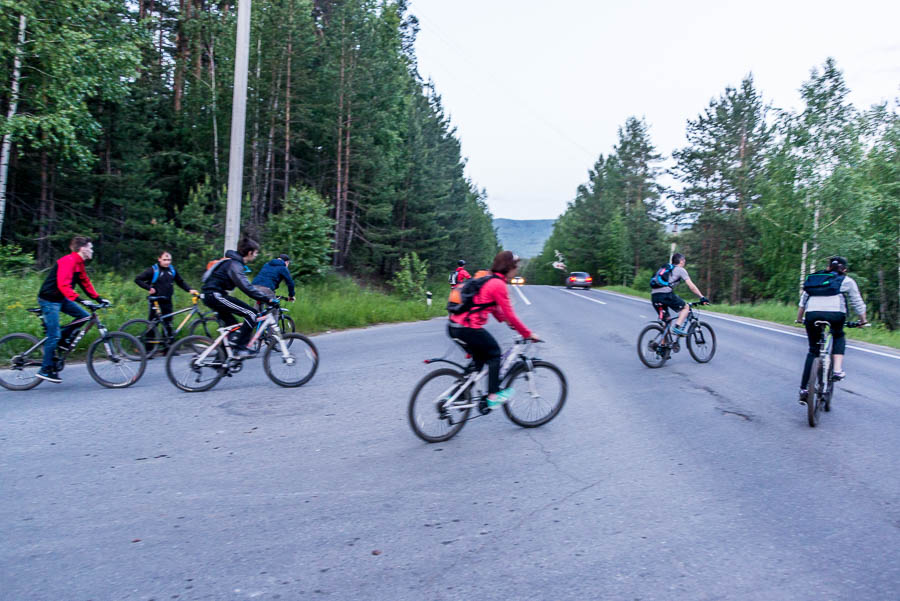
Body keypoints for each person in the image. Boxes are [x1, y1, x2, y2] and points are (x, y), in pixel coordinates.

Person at [448, 251, 540, 407]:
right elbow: (510, 314)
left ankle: (456, 395)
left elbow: (489, 306)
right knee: (494, 353)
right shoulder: (498, 284)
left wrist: (504, 321)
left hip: (454, 326)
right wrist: (527, 333)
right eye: (515, 267)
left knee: (479, 360)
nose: (516, 270)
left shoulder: (488, 278)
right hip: (467, 328)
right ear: (509, 267)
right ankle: (492, 395)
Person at [36, 236, 109, 383]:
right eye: (91, 247)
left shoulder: (79, 263)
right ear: (82, 249)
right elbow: (63, 285)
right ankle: (45, 369)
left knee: (84, 316)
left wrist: (98, 298)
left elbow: (85, 282)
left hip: (61, 298)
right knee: (54, 335)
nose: (92, 250)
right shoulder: (67, 261)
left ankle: (61, 341)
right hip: (49, 299)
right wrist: (81, 300)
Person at [795, 256, 867, 405]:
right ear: (844, 270)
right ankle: (837, 370)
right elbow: (857, 302)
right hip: (835, 315)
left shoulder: (816, 278)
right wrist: (863, 320)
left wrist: (799, 318)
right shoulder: (846, 280)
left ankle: (804, 389)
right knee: (838, 334)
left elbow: (803, 301)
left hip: (812, 314)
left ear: (828, 267)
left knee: (813, 350)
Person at [201, 238, 270, 357]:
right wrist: (267, 299)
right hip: (215, 295)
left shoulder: (233, 262)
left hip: (212, 295)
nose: (256, 255)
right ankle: (240, 348)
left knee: (231, 326)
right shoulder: (235, 264)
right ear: (250, 253)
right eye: (256, 252)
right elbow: (246, 287)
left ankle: (221, 360)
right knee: (252, 314)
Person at [134, 251, 199, 339]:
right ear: (159, 259)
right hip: (155, 300)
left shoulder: (172, 270)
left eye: (169, 260)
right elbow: (138, 279)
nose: (167, 262)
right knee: (153, 323)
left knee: (168, 323)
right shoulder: (153, 270)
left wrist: (190, 289)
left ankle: (167, 349)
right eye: (165, 260)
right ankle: (148, 349)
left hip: (167, 300)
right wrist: (149, 288)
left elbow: (180, 282)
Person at [650, 252, 709, 335]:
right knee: (686, 307)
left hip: (654, 296)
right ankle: (677, 327)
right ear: (681, 261)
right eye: (684, 260)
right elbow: (691, 286)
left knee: (667, 321)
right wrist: (702, 296)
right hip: (665, 295)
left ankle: (662, 345)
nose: (684, 262)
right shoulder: (680, 270)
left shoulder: (667, 269)